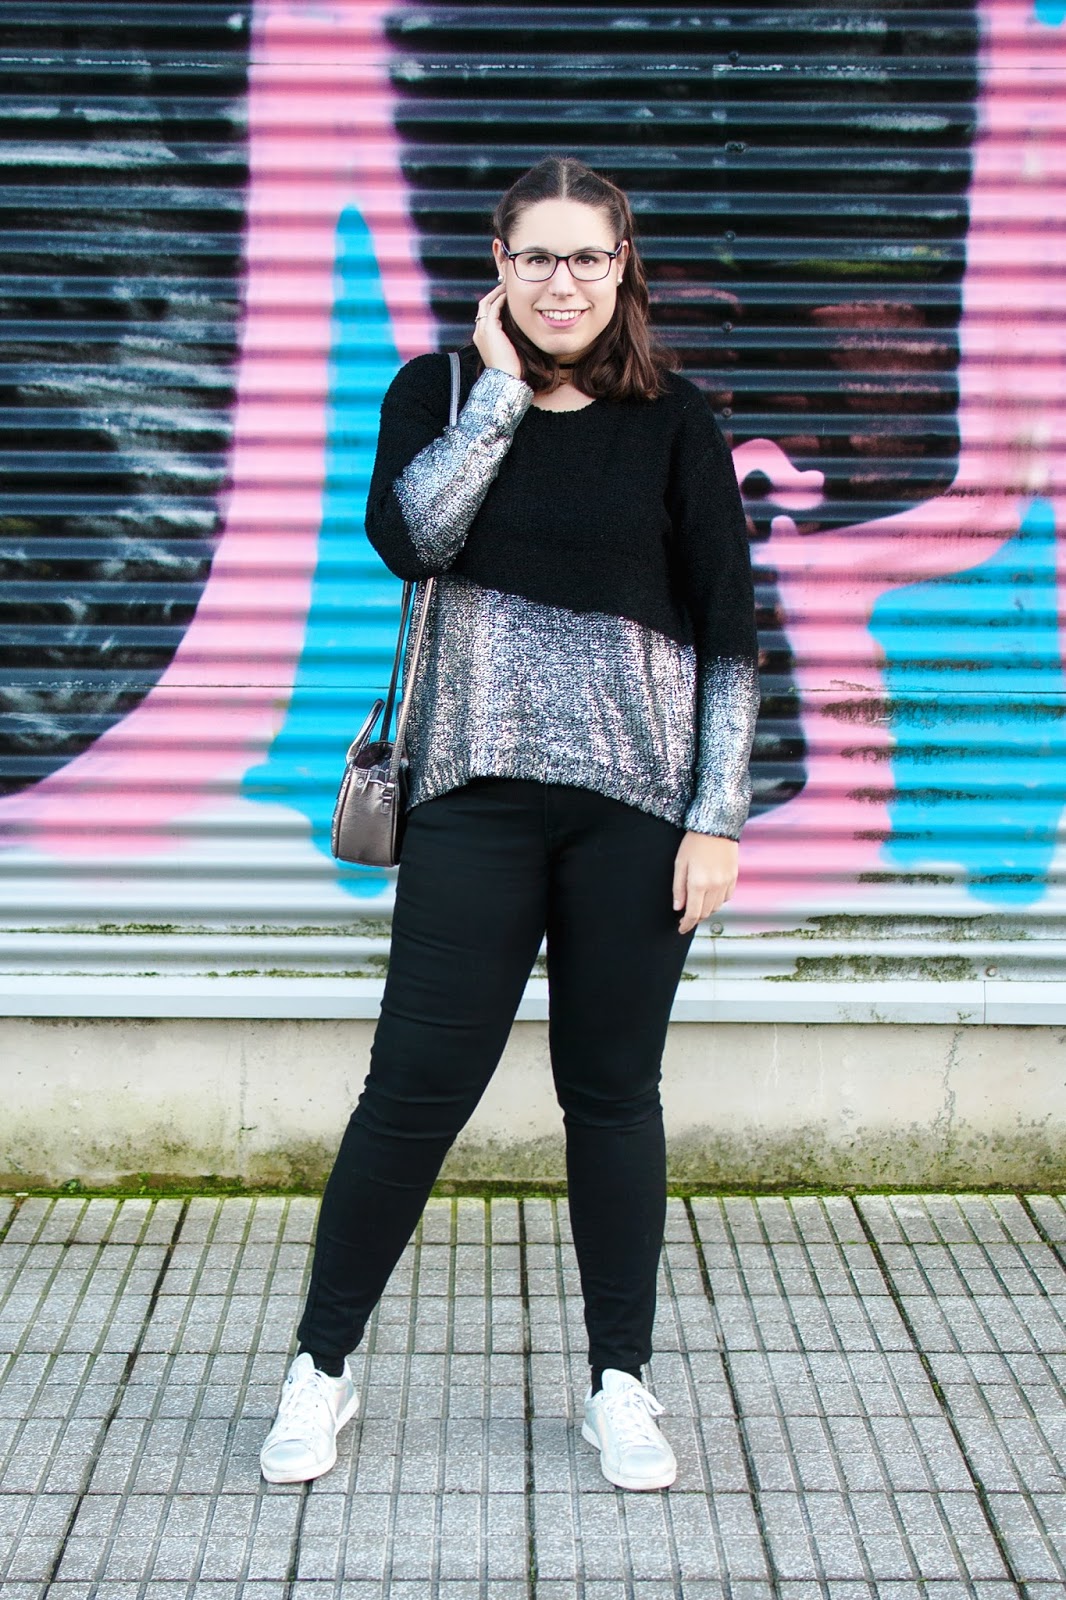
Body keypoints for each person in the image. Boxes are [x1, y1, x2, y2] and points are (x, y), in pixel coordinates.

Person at [259, 155, 760, 1493]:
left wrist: (715, 817)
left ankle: (618, 1383)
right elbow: (413, 541)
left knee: (612, 1094)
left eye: (587, 257)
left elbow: (728, 631)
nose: (561, 283)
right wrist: (493, 393)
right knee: (412, 1091)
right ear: (498, 264)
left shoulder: (676, 421)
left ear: (622, 265)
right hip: (469, 803)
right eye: (536, 256)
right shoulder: (432, 392)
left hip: (635, 818)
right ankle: (320, 1368)